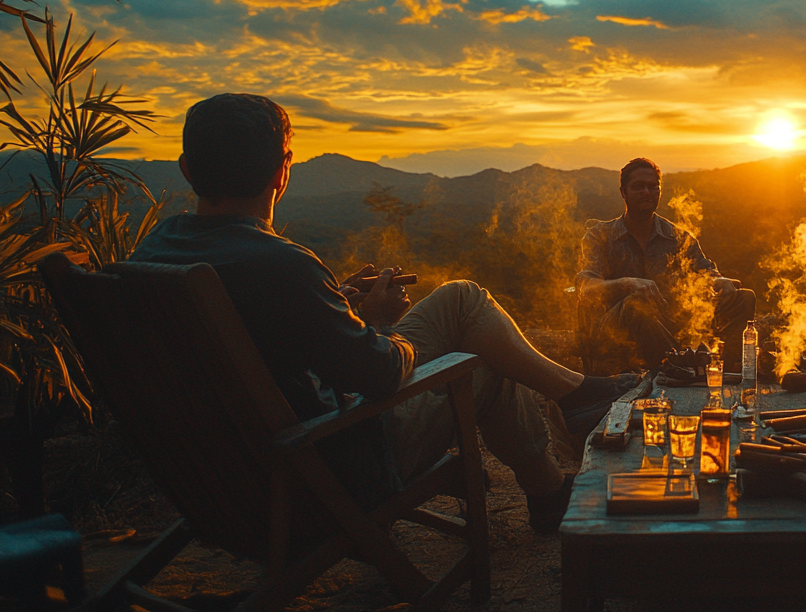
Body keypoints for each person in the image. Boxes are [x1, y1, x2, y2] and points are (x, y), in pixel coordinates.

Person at [129, 94, 635, 533]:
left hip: (223, 475)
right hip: (333, 463)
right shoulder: (280, 263)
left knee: (461, 297)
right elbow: (382, 372)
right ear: (284, 169)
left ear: (188, 169)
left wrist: (335, 302)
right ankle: (550, 484)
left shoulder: (152, 254)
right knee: (484, 362)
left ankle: (574, 394)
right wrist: (378, 322)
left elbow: (263, 336)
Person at [576, 157, 756, 370]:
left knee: (744, 297)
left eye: (653, 187)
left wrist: (720, 280)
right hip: (615, 326)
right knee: (636, 303)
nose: (647, 192)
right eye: (638, 187)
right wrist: (628, 284)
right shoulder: (600, 236)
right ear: (623, 192)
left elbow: (704, 270)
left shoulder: (676, 236)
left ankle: (726, 370)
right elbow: (586, 288)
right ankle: (681, 368)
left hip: (668, 322)